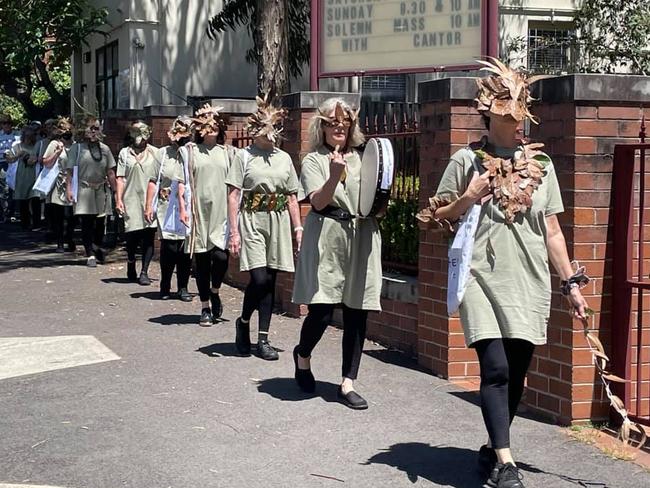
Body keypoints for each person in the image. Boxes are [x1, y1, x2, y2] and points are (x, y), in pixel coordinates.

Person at [416, 58, 589, 488]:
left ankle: (493, 449)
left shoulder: (541, 166)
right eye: (508, 117)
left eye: (520, 116)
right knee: (494, 368)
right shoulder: (465, 161)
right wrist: (469, 198)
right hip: (479, 276)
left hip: (527, 278)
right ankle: (507, 465)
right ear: (489, 115)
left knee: (515, 373)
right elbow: (435, 218)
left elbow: (551, 230)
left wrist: (570, 284)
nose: (517, 125)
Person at [292, 98, 382, 410]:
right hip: (327, 235)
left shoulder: (362, 158)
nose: (339, 127)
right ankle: (303, 355)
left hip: (360, 235)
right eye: (332, 122)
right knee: (323, 310)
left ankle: (347, 383)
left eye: (344, 123)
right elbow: (317, 202)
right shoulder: (313, 160)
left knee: (358, 310)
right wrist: (334, 175)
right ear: (322, 127)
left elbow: (375, 195)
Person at [226, 95, 303, 360]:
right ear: (256, 130)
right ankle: (244, 322)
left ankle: (263, 340)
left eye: (274, 131)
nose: (271, 136)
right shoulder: (243, 157)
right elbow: (234, 194)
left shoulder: (283, 158)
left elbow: (292, 196)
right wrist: (234, 232)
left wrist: (298, 229)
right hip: (252, 219)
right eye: (267, 130)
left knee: (270, 281)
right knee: (258, 278)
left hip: (278, 220)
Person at [178, 104, 232, 326]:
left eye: (215, 123)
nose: (211, 128)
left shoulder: (229, 152)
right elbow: (183, 182)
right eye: (206, 123)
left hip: (222, 211)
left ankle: (215, 290)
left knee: (220, 256)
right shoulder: (189, 151)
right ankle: (205, 307)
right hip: (199, 211)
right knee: (202, 260)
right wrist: (183, 207)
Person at [144, 116, 193, 301]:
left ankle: (183, 287)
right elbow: (152, 180)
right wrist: (149, 205)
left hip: (186, 205)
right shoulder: (162, 154)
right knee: (169, 247)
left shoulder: (192, 153)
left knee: (184, 248)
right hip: (166, 205)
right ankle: (165, 284)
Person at [65, 116, 117, 267]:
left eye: (96, 128)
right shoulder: (78, 148)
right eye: (91, 128)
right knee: (87, 222)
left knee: (100, 222)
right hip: (84, 189)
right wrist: (69, 189)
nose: (94, 131)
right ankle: (90, 254)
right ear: (84, 130)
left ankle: (96, 245)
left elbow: (111, 172)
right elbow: (69, 171)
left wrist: (115, 192)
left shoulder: (104, 149)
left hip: (101, 189)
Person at [115, 121, 158, 285]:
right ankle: (131, 261)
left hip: (149, 200)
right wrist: (119, 199)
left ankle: (144, 271)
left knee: (148, 236)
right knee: (132, 236)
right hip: (130, 198)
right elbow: (120, 178)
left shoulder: (155, 153)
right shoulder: (124, 153)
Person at [41, 117, 76, 253]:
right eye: (65, 130)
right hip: (58, 183)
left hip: (72, 182)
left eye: (69, 130)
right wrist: (57, 153)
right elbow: (45, 162)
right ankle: (60, 242)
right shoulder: (54, 144)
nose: (67, 133)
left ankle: (70, 237)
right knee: (59, 215)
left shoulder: (75, 145)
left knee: (71, 215)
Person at [8, 123, 41, 230]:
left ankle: (37, 223)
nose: (29, 139)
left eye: (31, 136)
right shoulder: (17, 145)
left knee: (35, 198)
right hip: (21, 174)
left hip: (33, 175)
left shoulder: (37, 145)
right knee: (23, 200)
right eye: (27, 136)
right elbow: (10, 158)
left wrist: (26, 156)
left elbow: (34, 160)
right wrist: (19, 154)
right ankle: (25, 223)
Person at [0, 114, 20, 223]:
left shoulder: (17, 135)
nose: (7, 125)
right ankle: (5, 212)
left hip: (14, 164)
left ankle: (12, 212)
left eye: (8, 123)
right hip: (2, 164)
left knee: (13, 188)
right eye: (4, 123)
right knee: (4, 189)